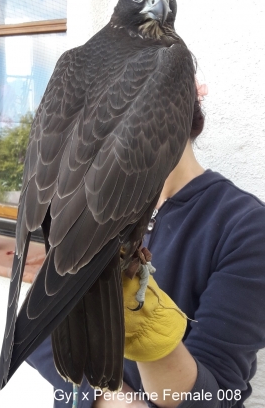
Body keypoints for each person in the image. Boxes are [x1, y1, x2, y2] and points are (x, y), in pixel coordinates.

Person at [26, 82, 265, 407]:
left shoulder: (246, 227)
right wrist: (109, 398)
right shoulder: (90, 206)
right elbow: (34, 331)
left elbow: (213, 396)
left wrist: (143, 326)